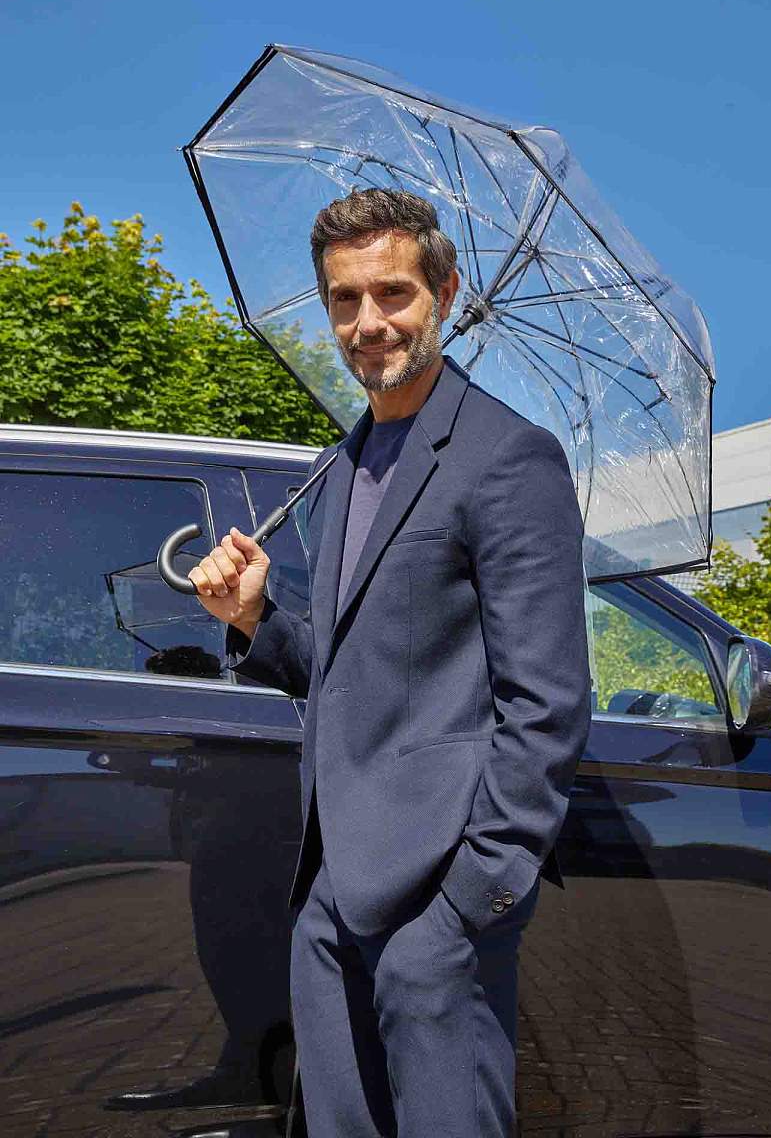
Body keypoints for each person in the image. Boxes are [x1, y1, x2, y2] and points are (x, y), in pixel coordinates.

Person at [189, 187, 592, 1138]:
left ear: (444, 294)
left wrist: (470, 903)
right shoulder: (347, 462)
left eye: (393, 293)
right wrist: (255, 620)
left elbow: (547, 704)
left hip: (437, 906)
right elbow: (347, 669)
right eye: (345, 299)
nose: (368, 323)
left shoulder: (509, 457)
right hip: (330, 896)